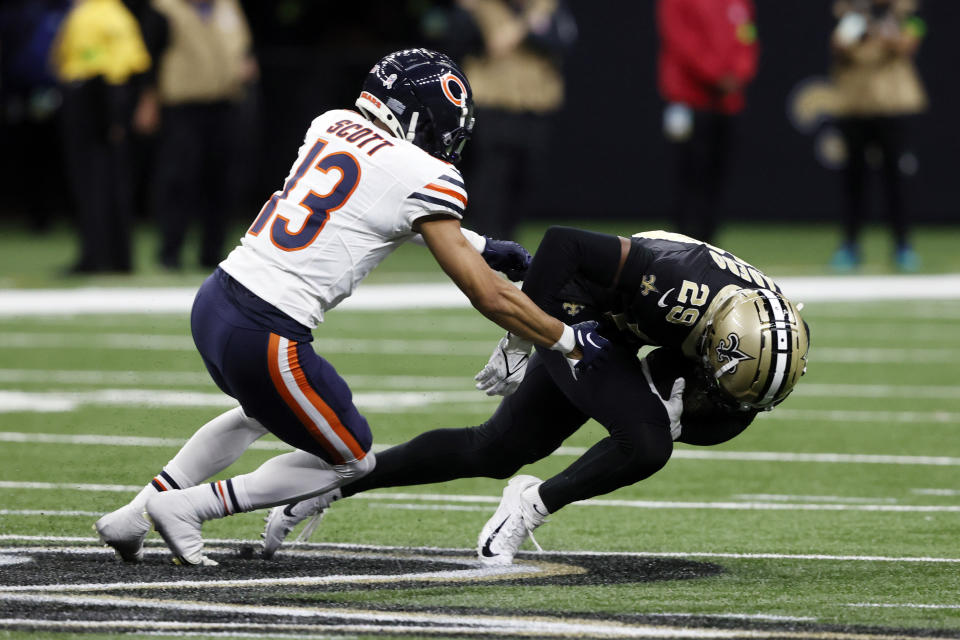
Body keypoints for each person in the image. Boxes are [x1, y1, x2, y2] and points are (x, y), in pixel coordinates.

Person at [92, 49, 608, 566]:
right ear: (411, 115)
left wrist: (479, 243)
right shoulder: (421, 175)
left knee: (259, 413)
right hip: (267, 333)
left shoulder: (332, 123)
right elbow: (486, 293)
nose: (441, 139)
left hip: (217, 301)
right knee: (351, 460)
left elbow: (367, 202)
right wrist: (564, 339)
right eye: (435, 126)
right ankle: (187, 507)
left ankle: (134, 515)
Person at [261, 226, 811, 565]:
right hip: (582, 312)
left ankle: (345, 480)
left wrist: (694, 403)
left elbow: (727, 395)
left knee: (496, 449)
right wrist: (527, 332)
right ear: (714, 337)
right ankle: (530, 504)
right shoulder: (675, 285)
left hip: (636, 333)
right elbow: (561, 244)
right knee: (641, 440)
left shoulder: (763, 335)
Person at [134, 0, 258, 270]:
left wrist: (246, 65)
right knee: (178, 180)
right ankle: (170, 253)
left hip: (225, 104)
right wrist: (147, 101)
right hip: (181, 107)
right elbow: (148, 59)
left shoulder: (228, 7)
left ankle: (212, 253)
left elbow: (243, 47)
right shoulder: (164, 9)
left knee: (221, 181)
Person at [452, 0, 576, 240]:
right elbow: (459, 43)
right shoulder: (479, 6)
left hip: (535, 102)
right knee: (493, 172)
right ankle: (486, 235)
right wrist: (466, 14)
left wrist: (523, 31)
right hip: (493, 101)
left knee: (527, 172)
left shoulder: (545, 7)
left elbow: (562, 43)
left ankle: (509, 233)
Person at [50, 0, 152, 273]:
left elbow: (81, 63)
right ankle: (120, 258)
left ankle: (94, 257)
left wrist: (108, 112)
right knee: (114, 181)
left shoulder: (87, 14)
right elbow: (136, 61)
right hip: (114, 95)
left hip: (91, 97)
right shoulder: (120, 14)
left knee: (90, 184)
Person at [828, 0, 927, 272]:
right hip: (855, 104)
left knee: (896, 179)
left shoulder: (906, 10)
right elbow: (839, 46)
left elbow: (906, 44)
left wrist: (877, 30)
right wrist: (860, 26)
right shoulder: (848, 8)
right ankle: (849, 246)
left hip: (892, 104)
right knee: (854, 180)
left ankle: (903, 246)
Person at [656, 0, 759, 245]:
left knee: (719, 174)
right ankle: (681, 246)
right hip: (689, 98)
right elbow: (680, 39)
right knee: (689, 175)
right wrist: (716, 74)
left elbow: (747, 36)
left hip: (728, 102)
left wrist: (740, 73)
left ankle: (711, 246)